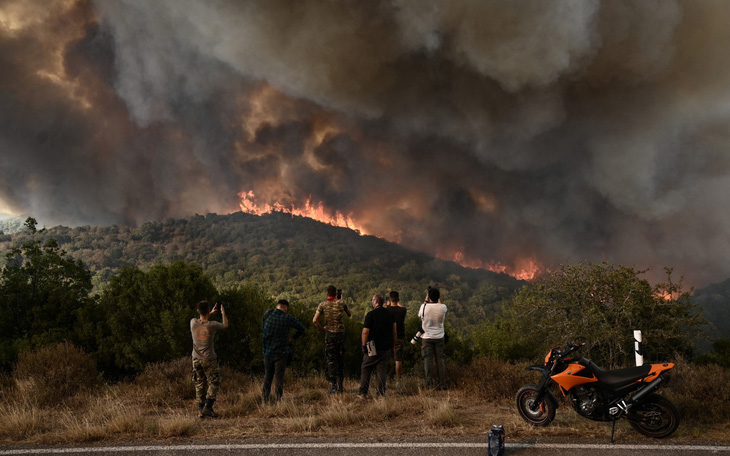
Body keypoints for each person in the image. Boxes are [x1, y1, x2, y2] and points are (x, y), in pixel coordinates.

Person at [262, 299, 305, 403]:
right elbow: (302, 328)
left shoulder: (267, 314)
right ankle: (278, 400)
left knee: (268, 375)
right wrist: (292, 338)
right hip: (281, 352)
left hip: (267, 351)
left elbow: (263, 328)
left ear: (277, 306)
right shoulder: (287, 318)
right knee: (279, 377)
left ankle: (265, 400)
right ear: (285, 307)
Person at [191, 300, 228, 418]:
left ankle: (201, 410)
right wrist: (223, 313)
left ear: (198, 311)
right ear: (207, 310)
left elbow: (202, 319)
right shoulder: (212, 325)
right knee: (214, 382)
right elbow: (225, 325)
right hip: (209, 359)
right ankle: (208, 406)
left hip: (195, 358)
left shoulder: (193, 323)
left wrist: (209, 313)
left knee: (199, 383)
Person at [313, 285, 352, 393]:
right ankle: (341, 386)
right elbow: (349, 314)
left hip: (330, 335)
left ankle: (334, 386)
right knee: (340, 360)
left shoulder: (323, 305)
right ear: (336, 294)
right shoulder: (341, 303)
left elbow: (314, 320)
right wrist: (341, 301)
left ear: (327, 294)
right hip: (340, 335)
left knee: (331, 360)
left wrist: (323, 329)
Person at [358, 294, 396, 399]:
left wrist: (363, 345)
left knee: (366, 368)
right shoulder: (389, 314)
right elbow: (394, 332)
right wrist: (393, 346)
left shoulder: (371, 314)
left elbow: (365, 332)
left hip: (372, 346)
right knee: (381, 370)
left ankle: (363, 393)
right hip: (386, 347)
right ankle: (380, 394)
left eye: (372, 300)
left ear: (375, 301)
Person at [418, 286, 448, 389]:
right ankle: (442, 384)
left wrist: (426, 299)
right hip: (439, 336)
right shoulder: (443, 307)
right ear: (439, 297)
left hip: (426, 337)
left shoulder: (423, 307)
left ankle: (429, 384)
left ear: (429, 297)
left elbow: (421, 316)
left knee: (428, 360)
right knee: (440, 360)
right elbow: (441, 304)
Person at [386, 291, 407, 387]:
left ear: (390, 299)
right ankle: (398, 381)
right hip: (399, 337)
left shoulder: (386, 310)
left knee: (385, 358)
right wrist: (398, 303)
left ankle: (385, 379)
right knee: (398, 359)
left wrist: (388, 305)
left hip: (388, 336)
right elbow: (402, 307)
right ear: (398, 299)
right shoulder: (403, 310)